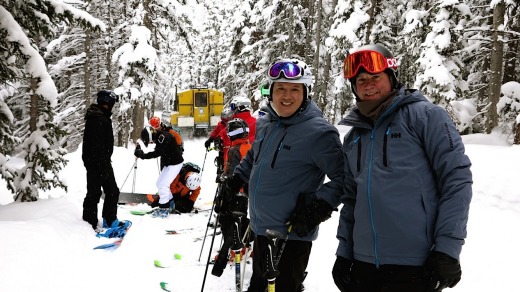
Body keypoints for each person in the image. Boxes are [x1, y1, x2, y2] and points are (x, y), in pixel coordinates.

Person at [333, 44, 473, 292]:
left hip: (416, 265)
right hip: (364, 264)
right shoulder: (354, 137)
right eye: (361, 80)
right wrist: (345, 252)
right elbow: (352, 199)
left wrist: (448, 249)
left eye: (375, 77)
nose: (368, 85)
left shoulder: (426, 117)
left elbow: (456, 180)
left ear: (392, 77)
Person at [222, 59, 344, 291]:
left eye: (294, 89)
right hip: (261, 227)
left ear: (305, 93)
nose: (286, 96)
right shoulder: (268, 123)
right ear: (271, 92)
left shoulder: (320, 133)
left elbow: (344, 177)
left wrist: (319, 206)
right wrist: (237, 179)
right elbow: (254, 157)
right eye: (280, 88)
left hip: (291, 235)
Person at [82, 90, 129, 232]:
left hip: (102, 162)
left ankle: (109, 220)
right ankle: (89, 224)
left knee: (112, 191)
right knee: (94, 193)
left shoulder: (101, 116)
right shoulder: (97, 119)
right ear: (106, 103)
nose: (112, 106)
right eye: (111, 103)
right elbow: (96, 145)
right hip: (97, 163)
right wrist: (101, 164)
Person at [212, 118, 252, 277]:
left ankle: (236, 248)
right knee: (240, 219)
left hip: (235, 192)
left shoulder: (236, 149)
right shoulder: (248, 146)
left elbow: (234, 173)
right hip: (245, 193)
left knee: (228, 221)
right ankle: (244, 246)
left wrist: (224, 179)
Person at [134, 126, 184, 218]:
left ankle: (164, 209)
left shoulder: (163, 137)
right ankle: (170, 204)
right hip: (171, 163)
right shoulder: (161, 136)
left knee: (163, 185)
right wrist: (142, 153)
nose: (150, 142)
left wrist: (143, 155)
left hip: (175, 164)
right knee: (159, 183)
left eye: (149, 141)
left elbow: (157, 153)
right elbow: (159, 151)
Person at [205, 108, 233, 180]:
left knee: (229, 162)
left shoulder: (233, 125)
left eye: (225, 120)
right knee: (220, 161)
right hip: (222, 148)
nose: (224, 122)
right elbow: (216, 132)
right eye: (223, 120)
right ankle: (220, 173)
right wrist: (210, 139)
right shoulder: (220, 124)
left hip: (231, 148)